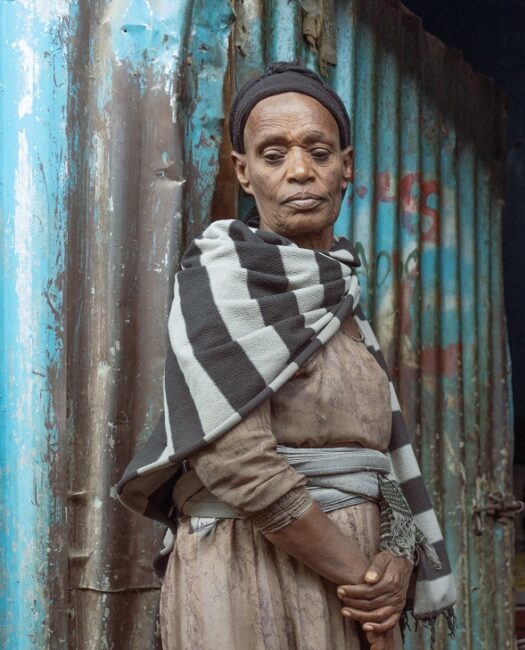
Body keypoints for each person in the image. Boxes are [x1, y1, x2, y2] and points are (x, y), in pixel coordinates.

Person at [116, 63, 455, 650]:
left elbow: (380, 462)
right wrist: (364, 580)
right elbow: (234, 461)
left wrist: (396, 560)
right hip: (247, 575)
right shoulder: (219, 286)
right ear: (244, 174)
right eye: (273, 156)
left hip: (353, 593)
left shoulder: (340, 295)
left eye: (318, 152)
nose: (300, 171)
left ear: (345, 166)